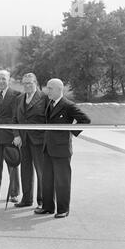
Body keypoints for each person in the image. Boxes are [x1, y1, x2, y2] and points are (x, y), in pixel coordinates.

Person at [35, 78, 90, 218]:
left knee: (62, 182)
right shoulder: (50, 102)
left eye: (50, 88)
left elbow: (85, 120)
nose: (47, 90)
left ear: (59, 89)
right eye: (47, 88)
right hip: (47, 148)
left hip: (61, 149)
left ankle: (63, 209)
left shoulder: (68, 105)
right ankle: (47, 207)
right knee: (46, 180)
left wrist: (69, 132)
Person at [12, 73, 47, 209]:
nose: (27, 85)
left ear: (36, 83)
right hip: (23, 141)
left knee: (41, 172)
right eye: (24, 83)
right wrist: (16, 135)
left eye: (30, 83)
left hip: (39, 141)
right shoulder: (19, 98)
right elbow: (14, 118)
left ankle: (43, 201)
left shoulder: (44, 98)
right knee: (25, 171)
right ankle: (27, 199)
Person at [0, 70, 21, 202]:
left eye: (4, 79)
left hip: (10, 136)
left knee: (12, 165)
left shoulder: (16, 95)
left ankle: (14, 193)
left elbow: (16, 117)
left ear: (9, 80)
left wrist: (16, 135)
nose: (1, 81)